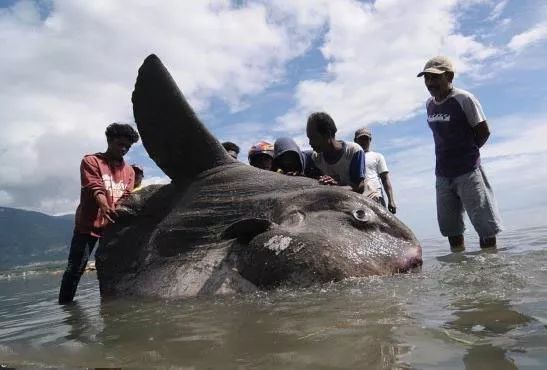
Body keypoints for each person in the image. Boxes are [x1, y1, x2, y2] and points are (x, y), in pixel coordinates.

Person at [417, 56, 503, 251]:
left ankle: (491, 268)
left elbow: (483, 131)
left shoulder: (464, 99)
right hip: (442, 175)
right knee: (451, 230)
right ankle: (459, 271)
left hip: (468, 172)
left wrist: (467, 155)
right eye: (426, 78)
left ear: (449, 76)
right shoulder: (429, 104)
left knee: (485, 228)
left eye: (435, 78)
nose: (430, 83)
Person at [58, 123, 140, 304]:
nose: (124, 149)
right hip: (88, 225)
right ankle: (65, 307)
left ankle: (110, 304)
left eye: (127, 146)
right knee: (75, 268)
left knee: (114, 266)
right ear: (110, 141)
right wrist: (103, 204)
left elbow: (126, 195)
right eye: (120, 144)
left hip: (113, 225)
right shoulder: (91, 161)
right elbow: (94, 186)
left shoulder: (129, 172)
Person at [306, 112, 366, 193]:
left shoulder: (353, 151)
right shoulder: (315, 158)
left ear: (327, 134)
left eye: (313, 137)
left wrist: (334, 188)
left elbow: (359, 187)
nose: (310, 143)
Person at [354, 127, 397, 213]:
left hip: (376, 197)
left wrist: (391, 200)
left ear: (370, 140)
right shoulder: (351, 157)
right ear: (355, 141)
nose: (364, 141)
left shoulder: (377, 156)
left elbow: (385, 179)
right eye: (361, 139)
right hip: (357, 198)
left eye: (366, 139)